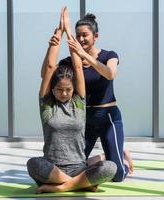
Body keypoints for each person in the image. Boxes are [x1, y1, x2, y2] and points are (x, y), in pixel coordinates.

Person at [26, 7, 117, 193]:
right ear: (52, 89)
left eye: (68, 90)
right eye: (59, 89)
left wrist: (69, 31)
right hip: (53, 168)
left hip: (79, 166)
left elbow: (77, 66)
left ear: (74, 89)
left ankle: (60, 188)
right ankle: (77, 183)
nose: (64, 93)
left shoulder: (78, 103)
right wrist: (59, 32)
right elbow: (51, 66)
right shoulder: (47, 105)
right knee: (33, 164)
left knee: (111, 168)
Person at [61, 12, 133, 182]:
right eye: (78, 36)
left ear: (95, 36)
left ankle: (120, 156)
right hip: (85, 119)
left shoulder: (109, 55)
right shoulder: (69, 62)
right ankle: (104, 156)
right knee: (73, 168)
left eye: (84, 35)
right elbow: (49, 73)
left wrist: (85, 55)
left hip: (108, 117)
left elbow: (110, 74)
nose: (81, 39)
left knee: (117, 176)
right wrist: (62, 33)